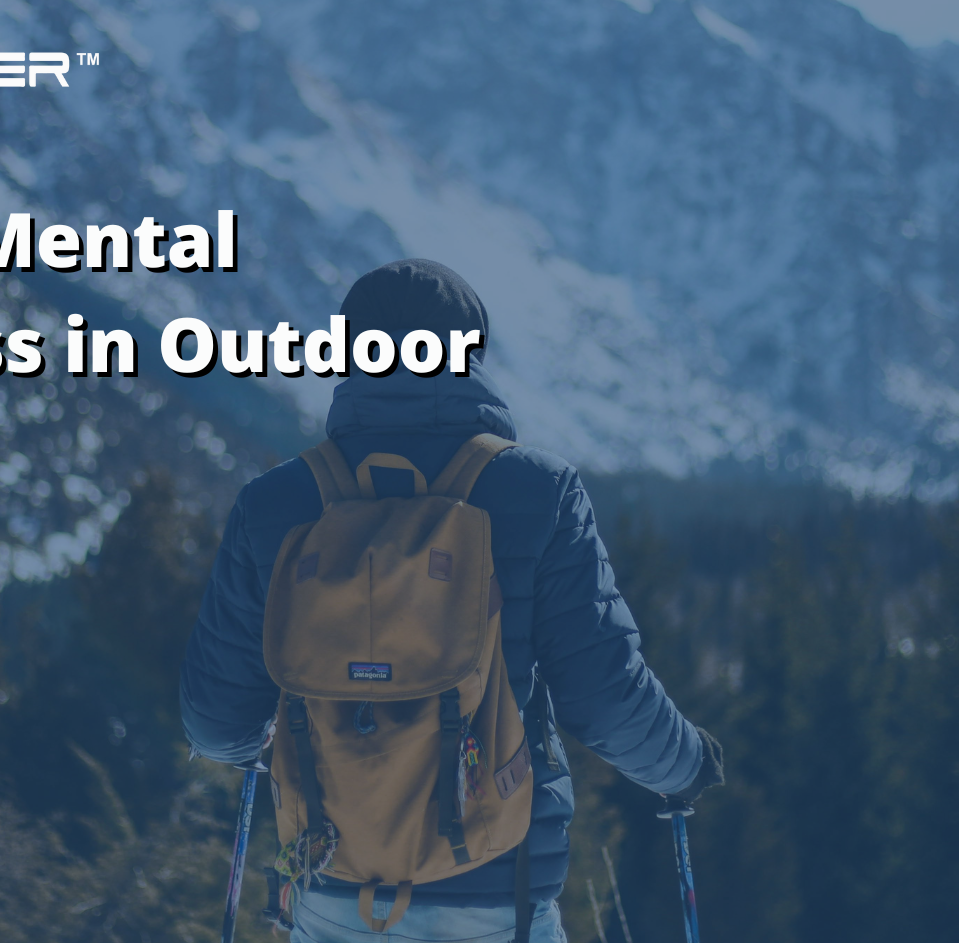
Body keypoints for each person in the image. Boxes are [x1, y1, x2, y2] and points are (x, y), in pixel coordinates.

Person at [182, 259, 723, 943]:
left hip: (330, 884)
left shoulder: (276, 505)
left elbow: (214, 722)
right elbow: (604, 695)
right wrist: (685, 765)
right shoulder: (536, 492)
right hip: (496, 890)